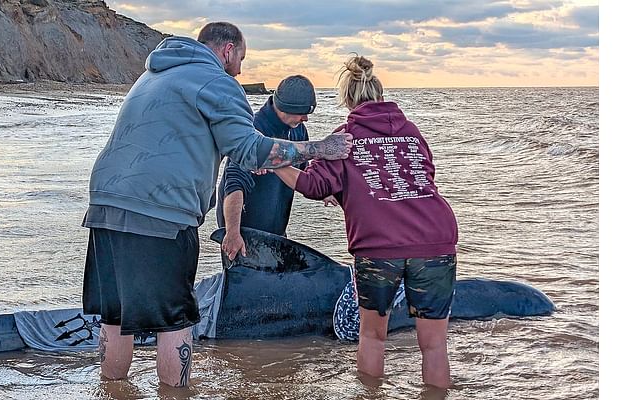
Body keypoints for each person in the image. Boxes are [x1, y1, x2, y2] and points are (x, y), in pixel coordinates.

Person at [80, 22, 353, 387]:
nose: (241, 67)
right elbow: (248, 150)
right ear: (227, 50)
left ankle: (112, 392)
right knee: (176, 321)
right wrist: (319, 148)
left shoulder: (153, 75)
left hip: (104, 204)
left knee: (116, 316)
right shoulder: (217, 82)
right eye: (241, 57)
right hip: (160, 214)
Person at [271, 55, 458, 389]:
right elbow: (417, 179)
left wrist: (274, 164)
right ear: (381, 94)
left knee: (373, 337)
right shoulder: (412, 132)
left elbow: (314, 186)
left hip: (379, 247)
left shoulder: (346, 136)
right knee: (433, 345)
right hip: (436, 239)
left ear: (347, 100)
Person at [216, 75, 338, 261]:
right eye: (302, 112)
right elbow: (233, 185)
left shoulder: (297, 129)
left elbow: (302, 172)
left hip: (276, 232)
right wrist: (232, 232)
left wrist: (324, 191)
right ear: (286, 108)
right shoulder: (254, 131)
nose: (305, 118)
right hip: (244, 234)